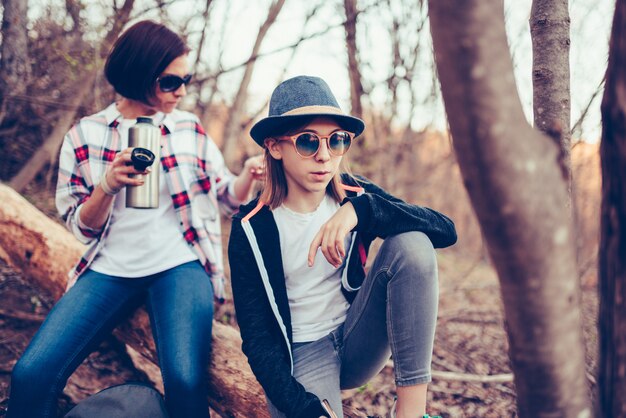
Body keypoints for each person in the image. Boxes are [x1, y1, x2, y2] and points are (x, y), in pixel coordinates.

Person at [8, 20, 262, 418]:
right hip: (109, 268)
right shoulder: (85, 134)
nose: (180, 90)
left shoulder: (187, 128)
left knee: (184, 381)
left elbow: (226, 201)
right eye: (169, 82)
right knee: (31, 374)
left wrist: (247, 175)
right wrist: (107, 185)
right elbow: (80, 226)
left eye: (186, 79)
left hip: (180, 266)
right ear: (140, 76)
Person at [228, 75, 456, 418]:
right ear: (275, 147)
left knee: (412, 244)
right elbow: (259, 343)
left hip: (358, 335)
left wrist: (360, 211)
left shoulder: (353, 194)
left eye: (336, 141)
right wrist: (305, 409)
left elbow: (445, 230)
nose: (324, 156)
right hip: (302, 355)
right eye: (307, 142)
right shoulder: (250, 228)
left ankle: (411, 413)